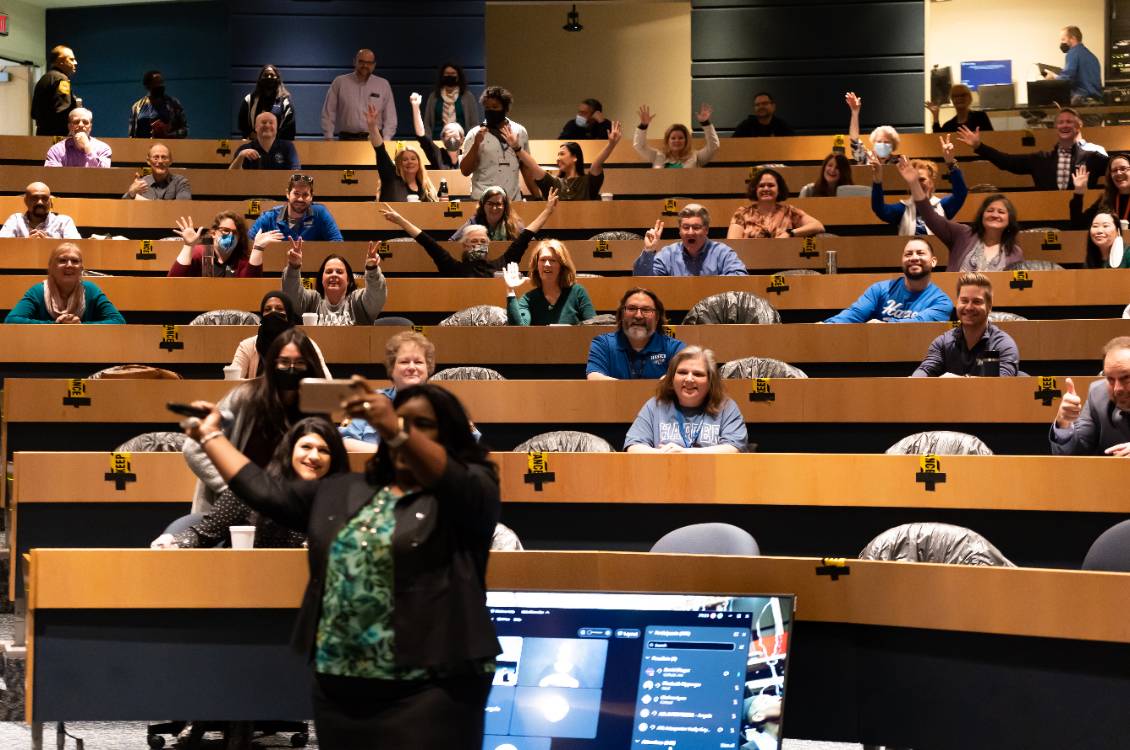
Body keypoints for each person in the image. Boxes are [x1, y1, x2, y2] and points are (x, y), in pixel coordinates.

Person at [179, 383, 500, 750]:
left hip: (432, 686)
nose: (402, 431)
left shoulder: (471, 493)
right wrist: (210, 435)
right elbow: (265, 490)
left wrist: (392, 426)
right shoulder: (345, 490)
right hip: (340, 685)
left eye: (421, 424)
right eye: (399, 421)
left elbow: (456, 480)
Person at [184, 328, 325, 513]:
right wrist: (235, 493)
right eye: (284, 362)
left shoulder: (318, 405)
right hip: (233, 512)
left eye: (299, 363)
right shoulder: (245, 397)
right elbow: (194, 448)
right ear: (272, 364)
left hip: (292, 510)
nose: (291, 369)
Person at [152, 417, 349, 549]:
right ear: (290, 452)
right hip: (249, 585)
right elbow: (204, 533)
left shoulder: (343, 499)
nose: (314, 456)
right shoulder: (251, 489)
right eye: (306, 447)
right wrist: (174, 542)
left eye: (324, 450)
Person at [380, 188, 558, 277]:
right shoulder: (453, 267)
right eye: (474, 242)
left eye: (482, 241)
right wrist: (400, 221)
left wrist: (548, 211)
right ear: (464, 245)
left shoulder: (502, 265)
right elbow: (427, 242)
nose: (479, 245)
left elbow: (525, 237)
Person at [898, 156, 1025, 271]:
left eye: (1001, 212)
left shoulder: (1015, 252)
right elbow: (930, 217)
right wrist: (914, 183)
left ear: (1009, 219)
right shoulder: (962, 234)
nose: (995, 215)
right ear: (981, 216)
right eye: (990, 210)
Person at [625, 346, 748, 453]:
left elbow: (734, 448)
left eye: (698, 374)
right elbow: (633, 446)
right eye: (682, 372)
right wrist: (664, 455)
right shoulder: (655, 405)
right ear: (672, 378)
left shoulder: (726, 407)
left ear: (711, 381)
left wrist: (686, 453)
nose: (689, 379)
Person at [954, 108, 1108, 190]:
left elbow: (1116, 168)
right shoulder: (1041, 159)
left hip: (1083, 219)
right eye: (1060, 122)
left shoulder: (1091, 156)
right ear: (1056, 127)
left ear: (1078, 126)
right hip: (1047, 216)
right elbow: (1006, 162)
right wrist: (979, 147)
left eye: (1069, 122)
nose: (1065, 125)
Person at [340, 330, 435, 450]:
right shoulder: (371, 401)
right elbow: (345, 441)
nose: (412, 367)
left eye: (418, 362)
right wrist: (387, 455)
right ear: (392, 369)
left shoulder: (441, 404)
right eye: (404, 362)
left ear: (428, 368)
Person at [911, 273, 1019, 377]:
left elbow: (1002, 385)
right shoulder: (942, 343)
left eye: (976, 301)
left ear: (989, 306)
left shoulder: (1003, 345)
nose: (969, 307)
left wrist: (958, 380)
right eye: (964, 301)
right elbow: (925, 369)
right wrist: (913, 381)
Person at [824, 238, 953, 323]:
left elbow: (920, 323)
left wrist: (885, 325)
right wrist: (825, 325)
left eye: (920, 253)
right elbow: (855, 314)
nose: (914, 258)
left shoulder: (942, 303)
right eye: (908, 254)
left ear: (933, 261)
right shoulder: (879, 290)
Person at [4, 242, 125, 324]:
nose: (69, 265)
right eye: (62, 260)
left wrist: (81, 326)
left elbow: (118, 321)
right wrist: (55, 325)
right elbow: (11, 320)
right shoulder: (38, 291)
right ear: (50, 267)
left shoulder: (91, 290)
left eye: (75, 261)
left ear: (81, 268)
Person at [1050, 337, 1130, 455]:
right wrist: (1064, 424)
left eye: (1126, 377)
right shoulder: (1097, 395)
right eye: (1110, 379)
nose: (1117, 389)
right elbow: (1075, 454)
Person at [871, 137, 966, 236]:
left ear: (931, 182)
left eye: (922, 179)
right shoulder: (903, 209)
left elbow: (961, 193)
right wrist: (877, 179)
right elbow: (879, 209)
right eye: (914, 180)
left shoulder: (942, 206)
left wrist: (951, 163)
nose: (918, 184)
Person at [229, 291, 332, 380]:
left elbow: (326, 381)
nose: (273, 313)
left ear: (289, 314)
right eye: (268, 309)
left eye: (279, 309)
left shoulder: (306, 344)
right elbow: (231, 381)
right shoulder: (247, 346)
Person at [586, 288, 685, 380]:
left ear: (657, 317)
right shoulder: (603, 344)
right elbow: (594, 377)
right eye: (632, 308)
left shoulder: (674, 348)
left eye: (646, 310)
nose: (638, 316)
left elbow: (680, 377)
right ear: (622, 314)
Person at [283, 240, 387, 325]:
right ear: (322, 279)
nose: (334, 275)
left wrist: (372, 269)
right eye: (328, 272)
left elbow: (377, 295)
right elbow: (291, 295)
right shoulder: (312, 301)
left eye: (339, 272)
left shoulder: (358, 301)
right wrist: (293, 266)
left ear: (348, 279)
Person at [511, 123, 622, 201]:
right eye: (558, 155)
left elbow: (596, 165)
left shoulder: (587, 182)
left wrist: (611, 145)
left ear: (575, 157)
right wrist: (517, 148)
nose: (558, 158)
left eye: (562, 154)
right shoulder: (554, 183)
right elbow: (533, 167)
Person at [503, 239, 595, 325]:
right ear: (536, 265)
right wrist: (510, 290)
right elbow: (518, 331)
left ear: (562, 266)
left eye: (553, 260)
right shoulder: (528, 299)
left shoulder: (577, 292)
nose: (547, 264)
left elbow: (593, 327)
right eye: (543, 260)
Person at [635, 204, 746, 276]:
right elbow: (643, 282)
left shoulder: (723, 252)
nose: (690, 232)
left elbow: (740, 278)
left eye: (696, 228)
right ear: (680, 231)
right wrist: (649, 250)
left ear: (706, 230)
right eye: (686, 227)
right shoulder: (668, 254)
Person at [460, 86, 529, 200]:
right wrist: (476, 145)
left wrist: (537, 196)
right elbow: (465, 171)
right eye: (487, 107)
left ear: (505, 108)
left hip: (512, 200)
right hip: (482, 201)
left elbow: (526, 167)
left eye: (495, 107)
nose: (491, 110)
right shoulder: (474, 133)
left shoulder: (520, 131)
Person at [727, 168, 825, 239]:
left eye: (771, 185)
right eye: (761, 186)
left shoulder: (789, 211)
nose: (766, 189)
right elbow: (733, 244)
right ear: (755, 190)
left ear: (779, 190)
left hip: (785, 261)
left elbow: (818, 225)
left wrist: (790, 233)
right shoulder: (742, 213)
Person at [367, 104, 436, 202]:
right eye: (405, 159)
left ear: (419, 162)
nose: (410, 162)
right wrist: (372, 126)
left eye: (413, 158)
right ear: (399, 163)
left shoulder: (425, 187)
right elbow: (380, 150)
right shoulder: (391, 178)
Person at [322, 49, 396, 140]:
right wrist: (328, 137)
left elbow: (391, 117)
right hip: (346, 139)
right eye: (361, 62)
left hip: (375, 139)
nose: (365, 65)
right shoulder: (340, 82)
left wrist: (386, 139)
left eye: (369, 63)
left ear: (374, 65)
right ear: (354, 62)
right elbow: (328, 112)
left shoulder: (383, 85)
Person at [247, 174, 342, 242]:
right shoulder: (269, 217)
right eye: (296, 193)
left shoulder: (320, 213)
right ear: (287, 194)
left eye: (305, 194)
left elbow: (337, 243)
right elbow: (247, 243)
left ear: (311, 196)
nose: (300, 199)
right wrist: (259, 244)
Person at [169, 211, 260, 277]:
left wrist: (258, 248)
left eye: (235, 233)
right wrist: (188, 246)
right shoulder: (200, 253)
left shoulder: (241, 260)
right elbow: (173, 281)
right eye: (226, 230)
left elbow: (251, 288)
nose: (231, 236)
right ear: (213, 233)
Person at [633, 103, 719, 168]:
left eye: (681, 138)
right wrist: (643, 126)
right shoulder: (657, 156)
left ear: (686, 140)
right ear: (668, 141)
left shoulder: (696, 157)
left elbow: (713, 146)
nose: (676, 141)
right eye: (673, 138)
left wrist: (705, 123)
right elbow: (639, 146)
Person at [1045, 25, 1103, 105]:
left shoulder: (1073, 53)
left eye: (1063, 39)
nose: (1062, 43)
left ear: (1073, 38)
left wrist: (1053, 77)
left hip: (1082, 99)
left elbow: (1066, 79)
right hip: (1096, 100)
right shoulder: (1091, 56)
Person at [0, 182, 80, 239]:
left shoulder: (63, 221)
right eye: (34, 198)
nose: (40, 202)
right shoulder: (16, 220)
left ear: (50, 201)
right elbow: (3, 246)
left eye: (44, 198)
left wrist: (51, 244)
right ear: (26, 200)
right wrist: (26, 243)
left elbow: (76, 247)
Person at [1069, 158, 1130, 229]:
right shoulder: (1105, 199)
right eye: (1114, 170)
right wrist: (1078, 193)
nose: (1118, 173)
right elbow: (1078, 225)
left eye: (1123, 168)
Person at [239, 65, 296, 140]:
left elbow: (290, 130)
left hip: (279, 148)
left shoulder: (285, 102)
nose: (269, 77)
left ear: (278, 79)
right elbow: (243, 125)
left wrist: (271, 139)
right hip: (254, 146)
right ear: (260, 79)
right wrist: (251, 134)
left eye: (272, 75)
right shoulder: (249, 100)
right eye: (266, 75)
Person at [423, 62, 479, 139]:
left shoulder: (467, 96)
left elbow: (474, 123)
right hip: (437, 140)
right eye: (447, 73)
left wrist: (471, 140)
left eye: (453, 73)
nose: (450, 76)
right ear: (442, 76)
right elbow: (427, 123)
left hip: (461, 141)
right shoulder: (433, 97)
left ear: (458, 76)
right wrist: (428, 141)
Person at [31, 45, 78, 136]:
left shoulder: (44, 79)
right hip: (57, 137)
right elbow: (63, 110)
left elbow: (34, 113)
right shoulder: (62, 79)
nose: (75, 63)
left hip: (41, 134)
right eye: (71, 59)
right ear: (60, 61)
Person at [230, 111, 300, 171]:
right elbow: (231, 176)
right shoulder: (244, 149)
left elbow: (295, 172)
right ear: (256, 127)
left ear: (276, 128)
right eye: (263, 122)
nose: (267, 125)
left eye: (271, 123)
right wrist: (241, 156)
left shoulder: (288, 147)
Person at [410, 92, 463, 170]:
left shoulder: (466, 157)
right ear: (443, 139)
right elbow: (421, 136)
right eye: (448, 134)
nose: (452, 137)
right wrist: (415, 106)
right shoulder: (438, 154)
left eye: (455, 135)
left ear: (462, 139)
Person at [127, 70, 188, 138]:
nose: (160, 85)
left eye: (161, 82)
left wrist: (168, 134)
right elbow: (131, 136)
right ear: (147, 86)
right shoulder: (137, 107)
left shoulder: (174, 104)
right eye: (156, 83)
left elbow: (185, 129)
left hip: (169, 146)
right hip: (143, 147)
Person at [450, 187, 524, 241]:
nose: (494, 208)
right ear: (483, 205)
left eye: (498, 204)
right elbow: (451, 242)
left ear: (505, 206)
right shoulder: (474, 222)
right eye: (490, 204)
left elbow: (531, 243)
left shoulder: (514, 224)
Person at [44, 108, 111, 168]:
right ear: (69, 127)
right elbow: (52, 175)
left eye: (85, 122)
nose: (81, 125)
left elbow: (103, 174)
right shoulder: (56, 150)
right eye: (76, 122)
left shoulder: (103, 148)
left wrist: (87, 147)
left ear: (90, 127)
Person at [845, 91, 899, 165]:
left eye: (886, 142)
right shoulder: (865, 157)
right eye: (879, 141)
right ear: (874, 143)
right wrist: (855, 112)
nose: (882, 145)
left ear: (893, 145)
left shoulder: (899, 163)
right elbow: (854, 140)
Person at [123, 143, 191, 200]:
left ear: (170, 161)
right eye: (156, 158)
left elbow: (183, 206)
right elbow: (123, 206)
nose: (160, 161)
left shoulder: (181, 182)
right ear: (148, 161)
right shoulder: (141, 185)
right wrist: (131, 193)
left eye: (164, 157)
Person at [927, 83, 993, 134]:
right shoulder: (948, 125)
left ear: (970, 98)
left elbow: (991, 138)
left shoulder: (981, 117)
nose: (959, 98)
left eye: (963, 95)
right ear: (952, 100)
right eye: (955, 96)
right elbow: (939, 140)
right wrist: (935, 117)